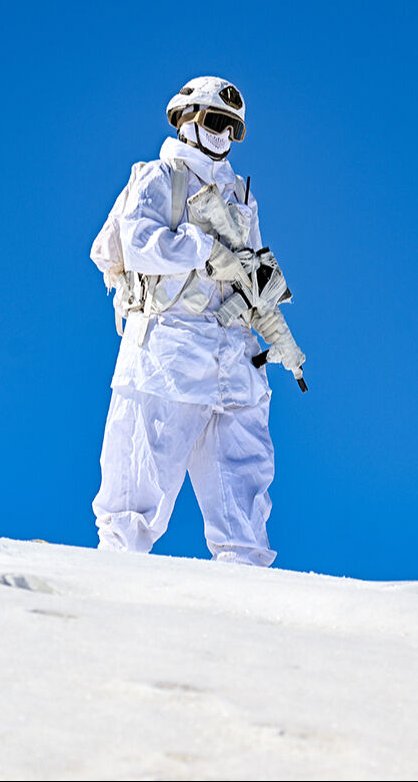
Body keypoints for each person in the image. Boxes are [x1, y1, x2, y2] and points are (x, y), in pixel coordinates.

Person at [89, 75, 301, 565]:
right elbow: (137, 240)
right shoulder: (158, 177)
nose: (223, 135)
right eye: (214, 121)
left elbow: (253, 269)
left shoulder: (241, 199)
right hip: (169, 351)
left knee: (244, 485)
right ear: (185, 121)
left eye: (232, 127)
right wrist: (201, 249)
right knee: (138, 482)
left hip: (236, 358)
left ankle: (244, 592)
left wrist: (267, 304)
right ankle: (113, 586)